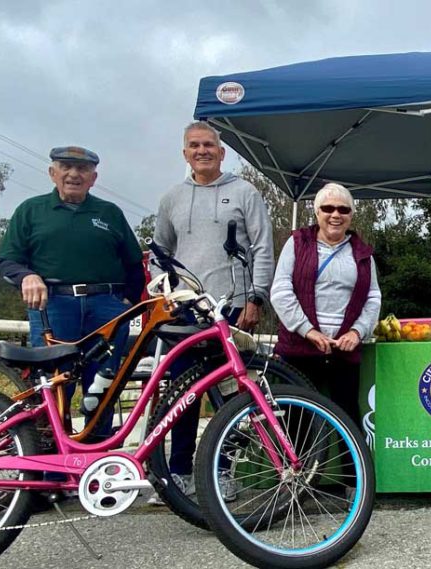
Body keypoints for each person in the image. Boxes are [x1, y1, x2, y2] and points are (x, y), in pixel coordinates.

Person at [148, 121, 274, 504]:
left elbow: (263, 247)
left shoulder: (244, 192)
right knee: (182, 394)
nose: (201, 151)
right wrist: (165, 294)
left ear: (221, 153)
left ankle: (222, 471)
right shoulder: (171, 198)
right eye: (193, 146)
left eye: (208, 145)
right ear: (185, 153)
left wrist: (257, 298)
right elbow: (159, 253)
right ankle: (179, 473)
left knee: (231, 394)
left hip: (231, 306)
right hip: (184, 312)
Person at [0, 145, 144, 441]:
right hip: (54, 306)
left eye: (83, 169)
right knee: (54, 389)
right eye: (66, 167)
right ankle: (49, 473)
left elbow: (134, 264)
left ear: (94, 177)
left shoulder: (109, 213)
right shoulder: (31, 210)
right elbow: (7, 260)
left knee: (102, 389)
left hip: (106, 309)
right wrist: (27, 276)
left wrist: (125, 304)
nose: (74, 174)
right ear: (53, 173)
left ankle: (94, 465)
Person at [270, 183, 381, 433]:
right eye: (328, 208)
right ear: (317, 212)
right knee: (297, 426)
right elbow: (280, 290)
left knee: (348, 422)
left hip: (343, 352)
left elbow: (373, 297)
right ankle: (295, 474)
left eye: (343, 209)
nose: (336, 215)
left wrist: (357, 332)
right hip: (299, 350)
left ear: (351, 215)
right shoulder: (297, 243)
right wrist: (307, 330)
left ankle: (354, 474)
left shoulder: (362, 253)